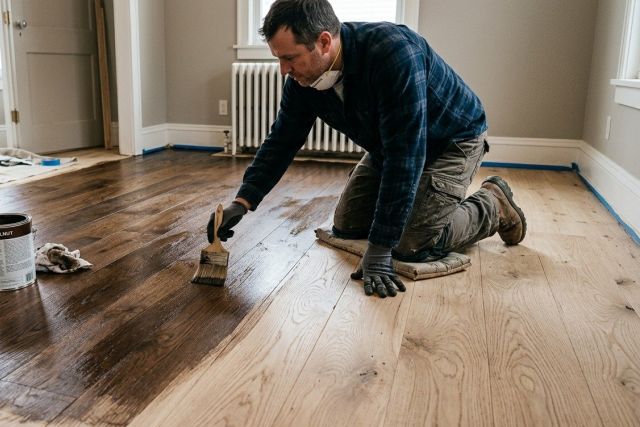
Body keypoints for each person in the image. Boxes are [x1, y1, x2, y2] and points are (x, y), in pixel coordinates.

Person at [207, 0, 526, 298]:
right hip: (392, 145)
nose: (283, 70)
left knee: (410, 243)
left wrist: (382, 245)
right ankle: (416, 211)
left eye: (289, 58)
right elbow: (281, 142)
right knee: (346, 226)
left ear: (323, 42)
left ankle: (493, 204)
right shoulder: (303, 83)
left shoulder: (393, 54)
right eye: (278, 58)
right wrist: (243, 201)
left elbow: (406, 157)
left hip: (452, 141)